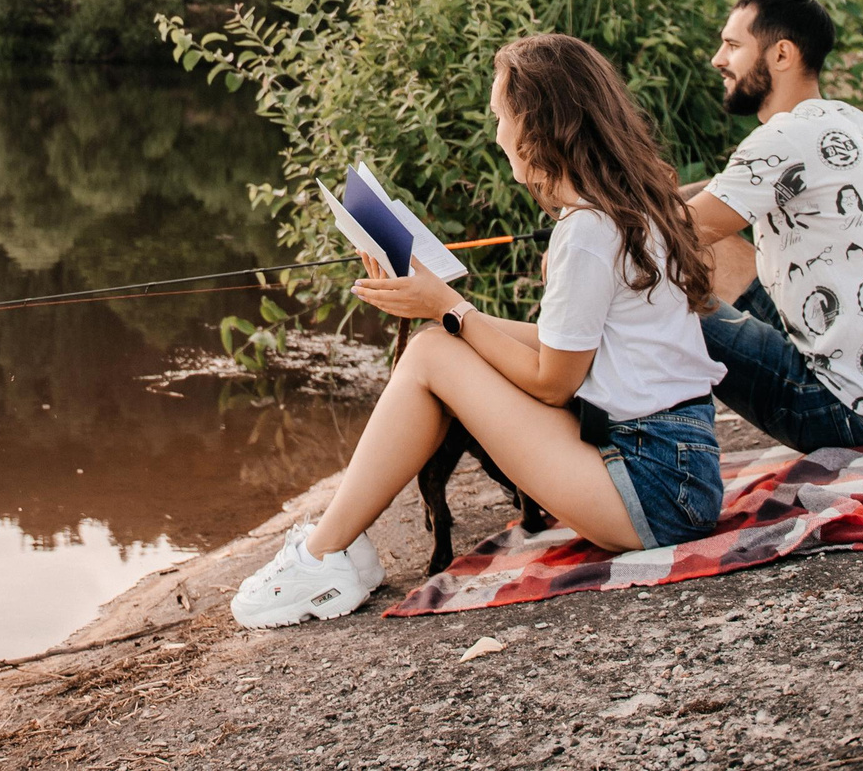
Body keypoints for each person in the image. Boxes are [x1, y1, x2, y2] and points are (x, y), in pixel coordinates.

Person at [232, 34, 727, 628]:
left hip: (651, 488)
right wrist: (436, 304)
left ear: (539, 127)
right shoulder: (623, 209)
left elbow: (553, 383)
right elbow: (566, 349)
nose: (496, 135)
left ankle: (322, 556)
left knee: (430, 355)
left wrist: (449, 308)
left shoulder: (588, 233)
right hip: (675, 467)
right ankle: (337, 548)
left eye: (500, 116)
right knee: (436, 345)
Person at [685, 0, 863, 453]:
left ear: (781, 53)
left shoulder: (783, 137)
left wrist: (583, 233)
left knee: (648, 292)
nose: (716, 59)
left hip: (844, 414)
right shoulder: (850, 122)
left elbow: (660, 236)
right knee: (695, 235)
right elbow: (722, 192)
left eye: (732, 45)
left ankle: (634, 463)